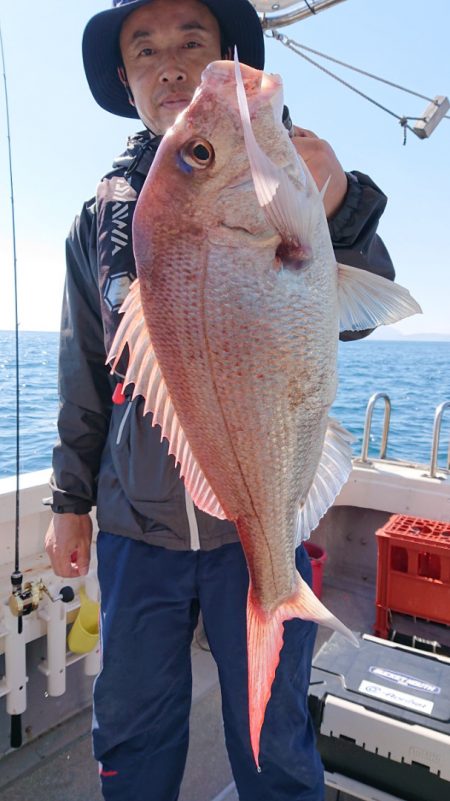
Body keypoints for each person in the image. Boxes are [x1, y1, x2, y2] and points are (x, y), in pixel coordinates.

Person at [45, 1, 395, 799]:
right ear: (125, 81)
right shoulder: (95, 219)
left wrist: (342, 204)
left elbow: (354, 305)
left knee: (274, 738)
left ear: (225, 54)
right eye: (145, 51)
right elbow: (85, 373)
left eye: (191, 42)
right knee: (132, 728)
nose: (170, 64)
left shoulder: (289, 175)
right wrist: (70, 498)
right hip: (138, 526)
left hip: (261, 516)